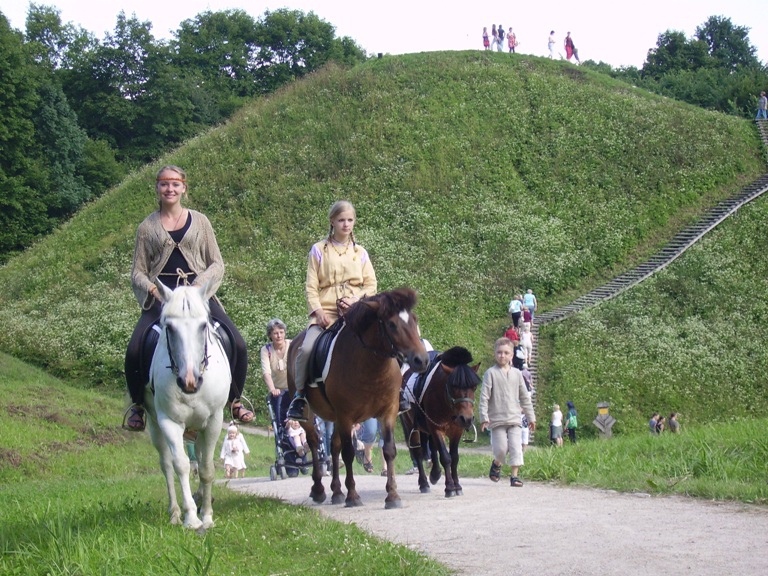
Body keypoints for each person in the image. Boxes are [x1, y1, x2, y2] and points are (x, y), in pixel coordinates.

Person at [123, 165, 253, 432]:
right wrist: (152, 290)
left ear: (184, 188)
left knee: (237, 343)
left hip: (197, 295)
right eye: (164, 184)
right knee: (135, 348)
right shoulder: (146, 227)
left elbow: (216, 263)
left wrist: (199, 287)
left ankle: (235, 400)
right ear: (157, 188)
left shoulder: (201, 221)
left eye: (175, 184)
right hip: (163, 297)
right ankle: (137, 405)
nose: (169, 189)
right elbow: (137, 270)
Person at [286, 200, 378, 421]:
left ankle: (396, 391)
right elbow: (311, 285)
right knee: (306, 349)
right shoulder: (318, 250)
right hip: (326, 310)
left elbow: (371, 285)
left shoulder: (360, 252)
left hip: (356, 311)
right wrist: (317, 311)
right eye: (341, 220)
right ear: (332, 221)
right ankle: (299, 396)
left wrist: (356, 300)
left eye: (350, 220)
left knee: (383, 339)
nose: (346, 224)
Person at [479, 337, 536, 487]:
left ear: (511, 355)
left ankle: (514, 477)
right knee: (501, 449)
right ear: (495, 354)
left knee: (516, 447)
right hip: (497, 420)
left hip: (514, 418)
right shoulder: (490, 373)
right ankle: (497, 463)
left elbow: (524, 397)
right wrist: (484, 417)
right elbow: (484, 397)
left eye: (506, 353)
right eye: (499, 352)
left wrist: (531, 417)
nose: (502, 355)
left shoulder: (517, 374)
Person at [261, 318, 292, 425]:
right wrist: (272, 389)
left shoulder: (292, 345)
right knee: (281, 421)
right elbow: (266, 372)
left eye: (281, 332)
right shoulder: (266, 350)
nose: (279, 336)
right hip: (278, 392)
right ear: (270, 335)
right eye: (275, 333)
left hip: (293, 390)